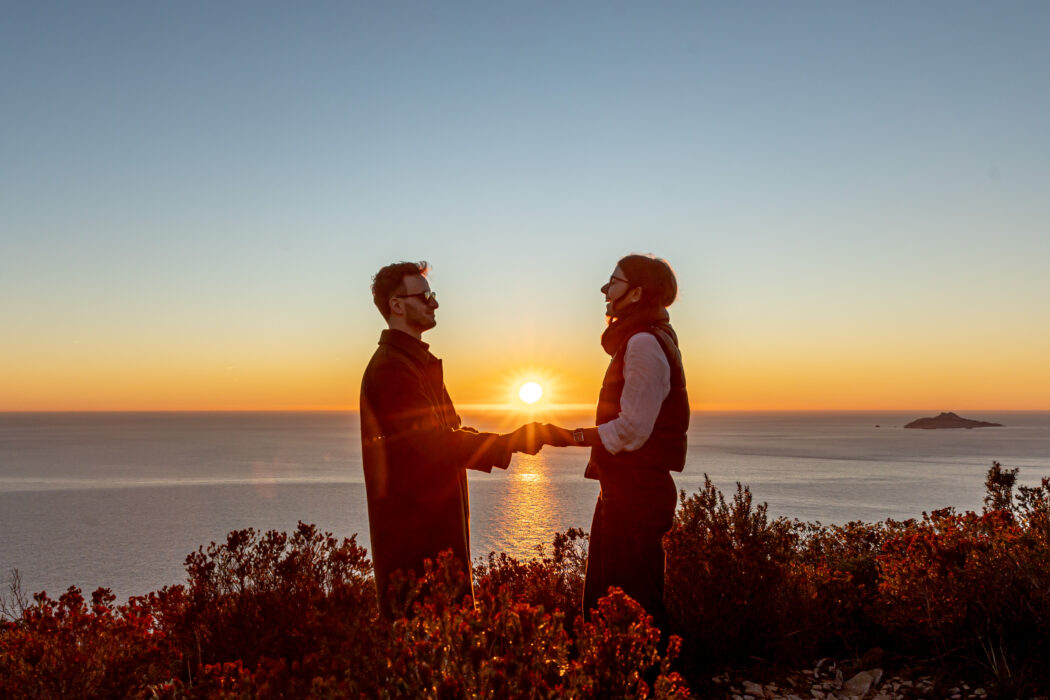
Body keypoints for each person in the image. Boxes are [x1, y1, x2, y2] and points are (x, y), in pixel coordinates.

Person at [360, 260, 541, 618]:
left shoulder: (414, 364)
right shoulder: (394, 369)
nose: (434, 303)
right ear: (396, 305)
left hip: (430, 540)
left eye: (433, 295)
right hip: (415, 548)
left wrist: (510, 438)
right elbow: (436, 443)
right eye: (425, 295)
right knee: (428, 654)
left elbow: (449, 432)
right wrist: (510, 442)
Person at [541, 254, 688, 629]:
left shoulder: (643, 343)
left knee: (633, 606)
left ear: (637, 292)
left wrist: (565, 436)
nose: (605, 290)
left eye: (613, 281)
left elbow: (631, 431)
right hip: (626, 487)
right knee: (611, 601)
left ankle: (646, 683)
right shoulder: (646, 338)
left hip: (636, 492)